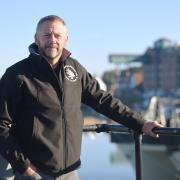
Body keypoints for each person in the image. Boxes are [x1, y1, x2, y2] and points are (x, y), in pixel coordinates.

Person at [0, 15, 162, 180]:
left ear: (66, 39)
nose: (52, 40)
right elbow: (1, 125)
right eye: (47, 35)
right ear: (36, 38)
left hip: (70, 172)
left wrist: (141, 123)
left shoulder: (75, 69)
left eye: (58, 35)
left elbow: (104, 101)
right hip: (34, 173)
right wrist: (25, 167)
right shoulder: (17, 75)